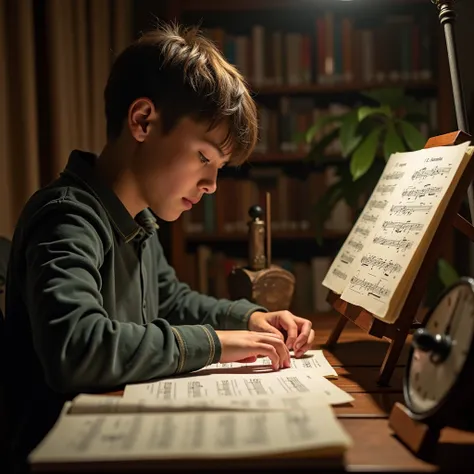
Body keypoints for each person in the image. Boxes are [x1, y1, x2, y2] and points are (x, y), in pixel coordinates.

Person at [3, 22, 315, 468]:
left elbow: (171, 299)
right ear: (143, 120)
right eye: (204, 157)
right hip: (61, 454)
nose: (210, 184)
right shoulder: (67, 216)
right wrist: (216, 342)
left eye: (219, 167)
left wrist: (251, 317)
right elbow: (78, 348)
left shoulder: (138, 220)